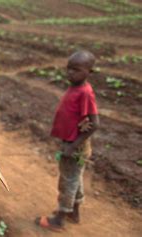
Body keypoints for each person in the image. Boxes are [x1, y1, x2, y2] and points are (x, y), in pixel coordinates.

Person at [36, 50, 100, 232]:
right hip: (71, 142)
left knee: (67, 181)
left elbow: (95, 123)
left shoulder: (85, 92)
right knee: (75, 179)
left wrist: (73, 145)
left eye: (76, 70)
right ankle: (74, 212)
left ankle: (60, 218)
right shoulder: (75, 88)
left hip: (75, 145)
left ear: (89, 71)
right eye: (69, 69)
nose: (70, 73)